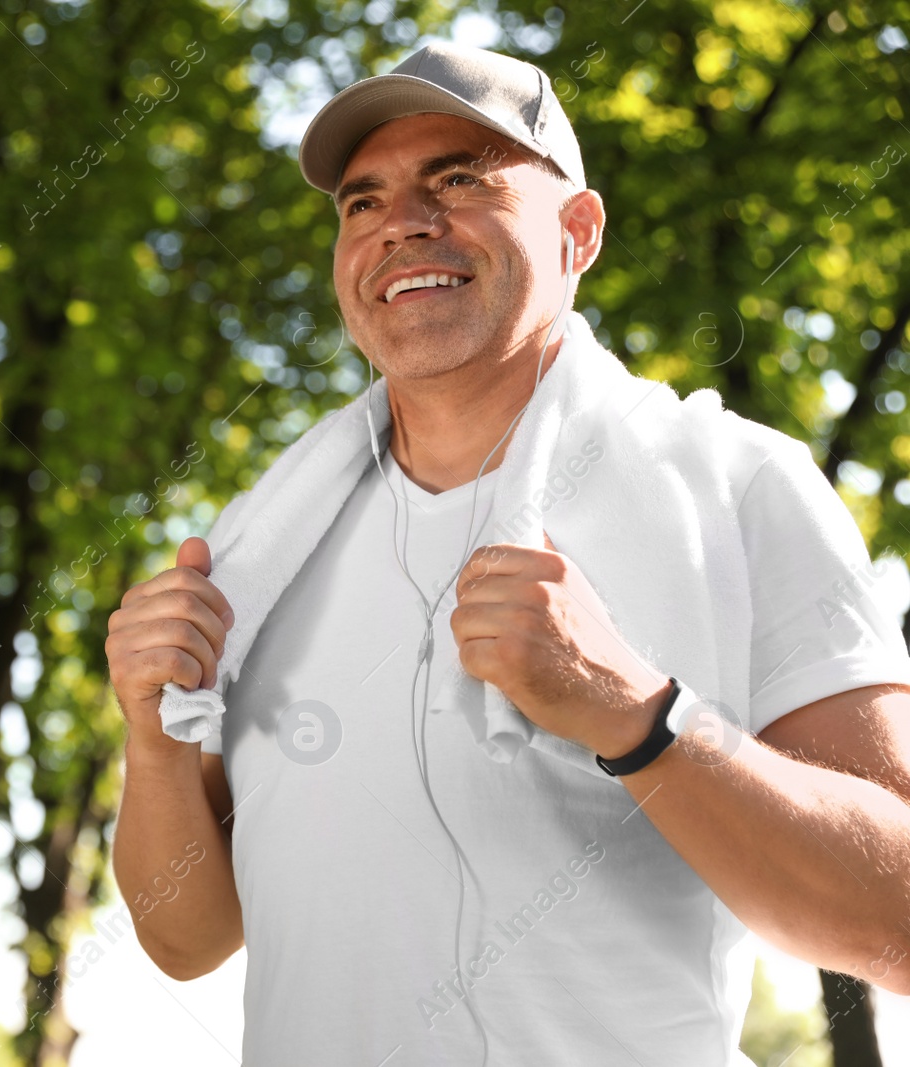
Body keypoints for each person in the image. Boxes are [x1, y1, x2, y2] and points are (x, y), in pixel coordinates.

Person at [105, 41, 910, 1065]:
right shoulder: (256, 547)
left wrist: (636, 714)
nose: (402, 222)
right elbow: (187, 937)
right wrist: (154, 738)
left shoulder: (736, 482)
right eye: (362, 201)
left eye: (458, 178)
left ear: (577, 232)